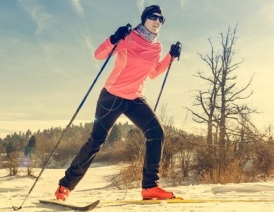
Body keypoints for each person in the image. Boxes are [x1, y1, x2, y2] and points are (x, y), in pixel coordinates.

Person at [55, 5, 181, 201]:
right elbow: (99, 55)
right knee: (96, 140)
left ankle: (150, 187)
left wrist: (170, 58)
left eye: (161, 19)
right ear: (145, 18)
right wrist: (114, 38)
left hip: (135, 98)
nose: (157, 22)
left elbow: (153, 73)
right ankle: (65, 186)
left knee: (156, 133)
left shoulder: (157, 47)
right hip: (112, 96)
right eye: (153, 17)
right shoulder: (128, 37)